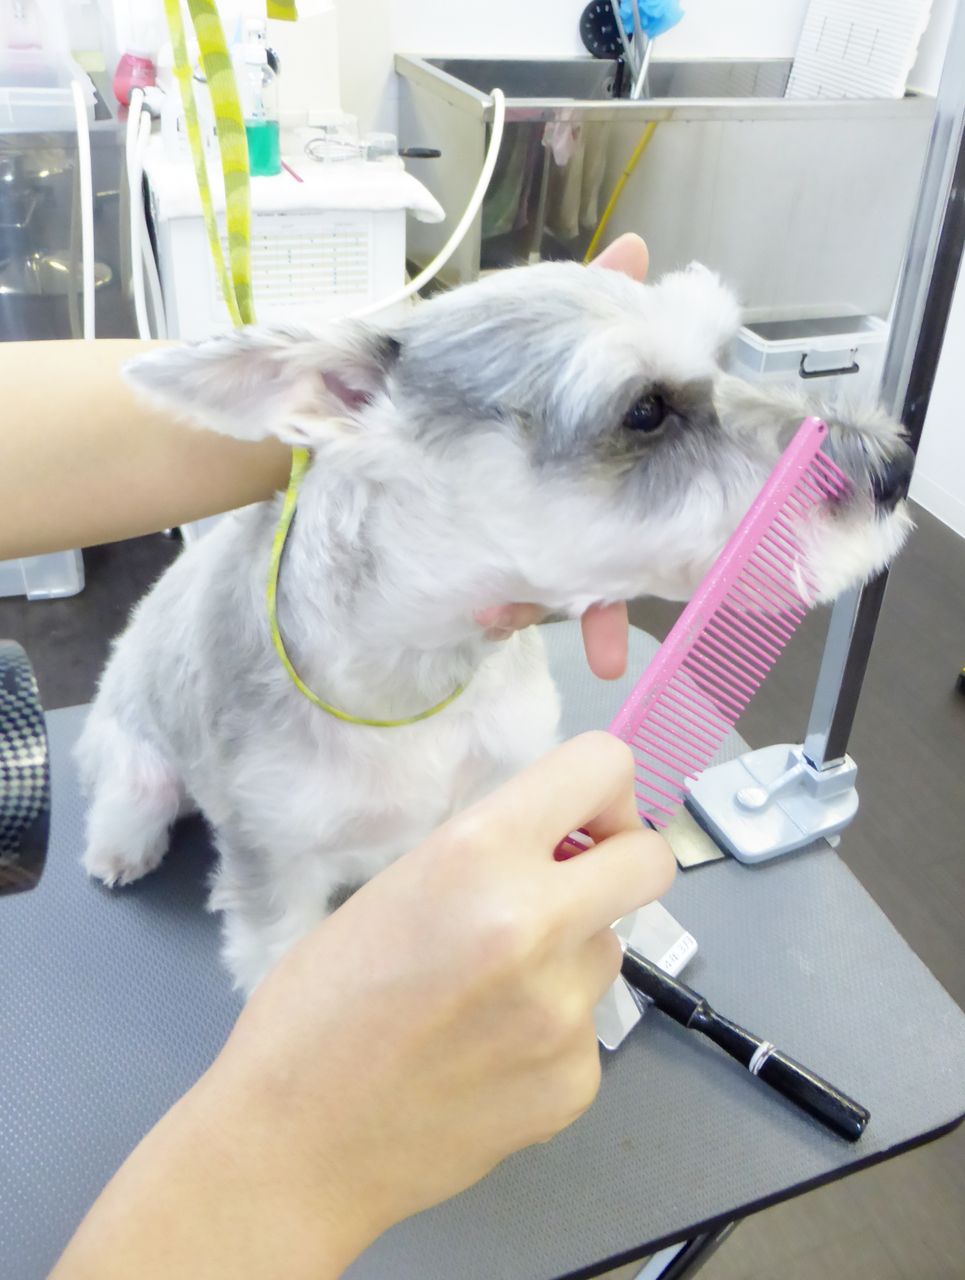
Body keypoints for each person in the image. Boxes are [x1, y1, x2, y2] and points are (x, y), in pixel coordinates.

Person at [1, 235, 676, 1278]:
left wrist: (453, 390)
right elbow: (265, 853)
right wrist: (295, 1126)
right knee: (145, 829)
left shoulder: (485, 621)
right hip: (170, 738)